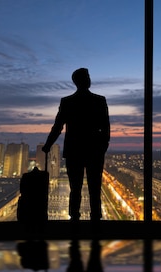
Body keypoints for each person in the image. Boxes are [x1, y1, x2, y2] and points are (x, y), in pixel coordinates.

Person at [42, 68, 110, 225]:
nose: (89, 79)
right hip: (92, 150)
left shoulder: (68, 102)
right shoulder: (98, 100)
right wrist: (103, 146)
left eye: (88, 76)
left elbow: (57, 127)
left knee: (78, 188)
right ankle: (93, 219)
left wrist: (48, 145)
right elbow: (105, 127)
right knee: (92, 187)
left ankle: (75, 220)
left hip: (76, 150)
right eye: (87, 76)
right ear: (80, 80)